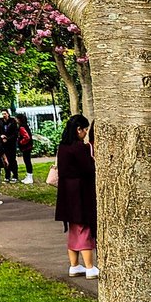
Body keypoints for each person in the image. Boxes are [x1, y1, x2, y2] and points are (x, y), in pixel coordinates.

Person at [55, 114, 98, 280]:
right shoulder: (80, 148)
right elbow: (89, 168)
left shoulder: (63, 147)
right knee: (85, 228)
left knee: (73, 229)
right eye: (85, 129)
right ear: (78, 129)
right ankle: (89, 267)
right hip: (81, 191)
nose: (86, 133)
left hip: (66, 192)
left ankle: (74, 265)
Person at [0, 109, 19, 183]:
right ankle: (7, 175)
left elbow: (15, 134)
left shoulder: (13, 122)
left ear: (8, 114)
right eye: (2, 114)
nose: (4, 115)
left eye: (5, 114)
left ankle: (15, 175)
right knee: (5, 160)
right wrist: (1, 136)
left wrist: (7, 139)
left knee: (12, 160)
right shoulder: (0, 122)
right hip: (3, 144)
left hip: (11, 144)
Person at [16, 112, 34, 184]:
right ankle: (28, 175)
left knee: (27, 161)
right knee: (27, 161)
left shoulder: (22, 127)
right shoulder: (25, 126)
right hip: (28, 146)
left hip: (26, 147)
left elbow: (27, 137)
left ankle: (30, 176)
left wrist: (21, 142)